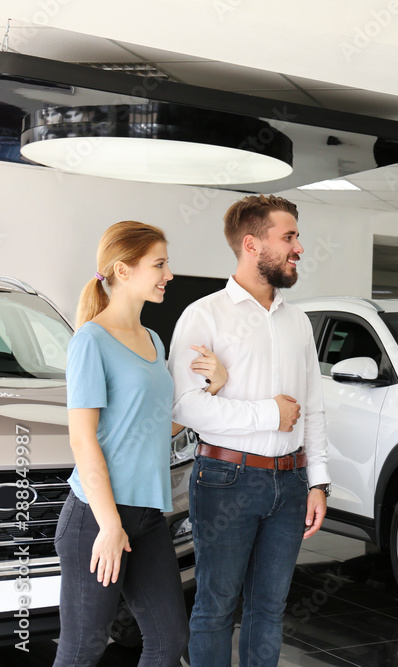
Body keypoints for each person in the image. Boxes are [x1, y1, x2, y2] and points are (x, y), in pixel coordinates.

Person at [168, 194, 331, 667]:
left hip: (292, 482)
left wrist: (318, 481)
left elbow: (313, 408)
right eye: (289, 237)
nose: (299, 247)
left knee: (270, 609)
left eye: (297, 236)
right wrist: (268, 415)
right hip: (226, 480)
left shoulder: (298, 321)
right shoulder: (204, 315)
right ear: (251, 244)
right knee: (216, 607)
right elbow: (185, 406)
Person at [55, 221, 226, 666]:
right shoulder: (90, 341)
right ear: (123, 270)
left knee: (170, 639)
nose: (169, 274)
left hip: (147, 516)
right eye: (159, 264)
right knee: (83, 649)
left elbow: (156, 426)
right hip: (96, 518)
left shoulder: (152, 339)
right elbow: (82, 440)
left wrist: (212, 388)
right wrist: (110, 525)